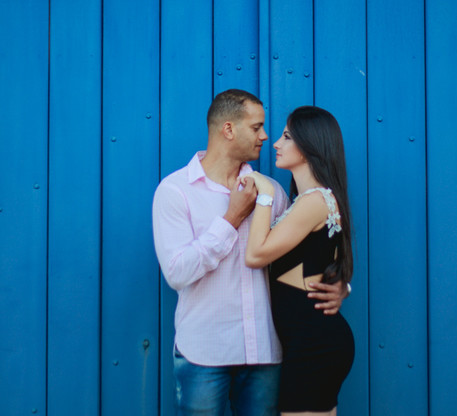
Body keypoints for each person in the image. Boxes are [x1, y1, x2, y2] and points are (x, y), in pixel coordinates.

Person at [152, 90, 347, 416]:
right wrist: (231, 219)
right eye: (257, 127)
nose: (266, 136)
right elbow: (177, 273)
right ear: (228, 130)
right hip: (204, 353)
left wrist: (337, 284)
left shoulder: (273, 192)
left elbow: (302, 256)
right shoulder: (175, 192)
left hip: (264, 355)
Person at [243, 106, 355, 416]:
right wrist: (344, 287)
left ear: (309, 147)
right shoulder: (311, 201)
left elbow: (254, 255)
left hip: (313, 345)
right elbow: (319, 261)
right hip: (311, 341)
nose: (276, 143)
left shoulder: (315, 201)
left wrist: (264, 193)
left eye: (287, 136)